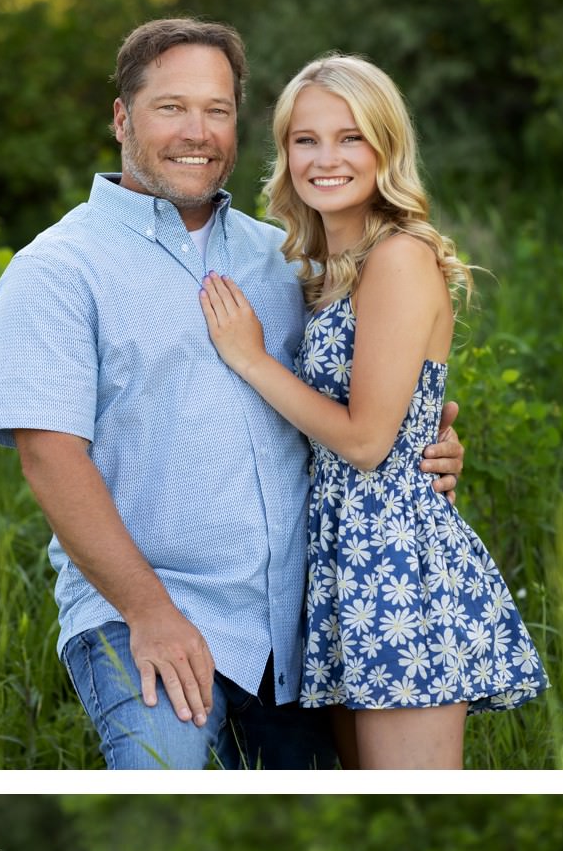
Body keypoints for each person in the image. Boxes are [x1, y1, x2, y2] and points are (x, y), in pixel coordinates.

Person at [0, 18, 468, 769]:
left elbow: (358, 395)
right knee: (161, 778)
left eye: (216, 110)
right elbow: (50, 459)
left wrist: (426, 447)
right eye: (171, 107)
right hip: (146, 611)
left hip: (300, 618)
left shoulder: (282, 257)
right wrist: (149, 612)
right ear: (121, 118)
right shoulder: (57, 270)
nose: (197, 132)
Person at [198, 55, 545, 767]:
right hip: (340, 563)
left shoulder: (399, 256)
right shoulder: (326, 269)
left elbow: (365, 442)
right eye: (306, 140)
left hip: (395, 566)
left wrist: (251, 357)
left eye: (350, 137)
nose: (326, 159)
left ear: (385, 147)